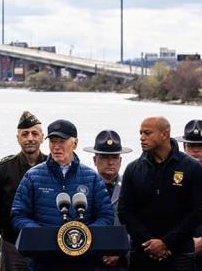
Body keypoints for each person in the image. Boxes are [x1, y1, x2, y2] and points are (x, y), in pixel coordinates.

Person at [11, 119, 114, 271]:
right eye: (53, 141)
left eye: (62, 141)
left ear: (75, 143)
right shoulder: (32, 176)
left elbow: (106, 216)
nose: (56, 146)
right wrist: (40, 234)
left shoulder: (92, 178)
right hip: (44, 262)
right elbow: (18, 215)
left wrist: (84, 235)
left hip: (84, 262)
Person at [118, 116, 202, 271]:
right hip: (143, 253)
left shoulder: (192, 168)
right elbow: (125, 211)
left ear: (164, 134)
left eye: (147, 133)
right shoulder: (133, 169)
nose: (142, 138)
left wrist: (166, 243)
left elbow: (197, 212)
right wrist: (149, 242)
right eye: (141, 133)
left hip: (179, 254)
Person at [0, 111, 47, 271]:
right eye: (25, 134)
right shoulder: (3, 169)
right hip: (13, 245)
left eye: (35, 133)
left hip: (46, 244)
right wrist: (5, 232)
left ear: (42, 137)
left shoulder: (53, 167)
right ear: (18, 138)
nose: (30, 138)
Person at [84, 130, 132, 271]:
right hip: (90, 259)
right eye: (105, 157)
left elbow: (138, 226)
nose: (110, 162)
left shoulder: (131, 187)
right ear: (94, 160)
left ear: (121, 161)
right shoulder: (84, 188)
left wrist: (121, 249)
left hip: (122, 261)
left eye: (115, 157)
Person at [175, 119, 202, 269]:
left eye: (200, 146)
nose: (195, 150)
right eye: (191, 146)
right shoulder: (173, 176)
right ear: (184, 147)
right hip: (179, 252)